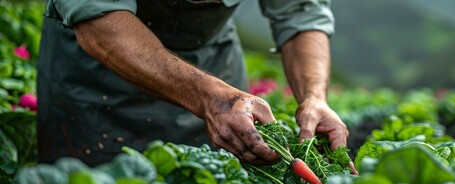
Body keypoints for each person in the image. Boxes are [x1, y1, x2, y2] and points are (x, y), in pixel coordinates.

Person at [37, 0, 349, 166]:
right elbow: (97, 17)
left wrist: (314, 96)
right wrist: (209, 97)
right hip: (101, 75)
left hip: (213, 61)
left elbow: (301, 12)